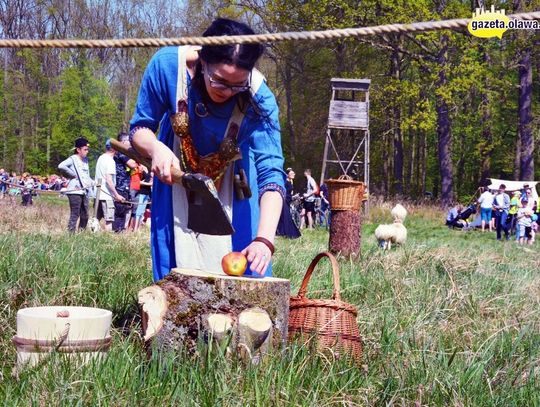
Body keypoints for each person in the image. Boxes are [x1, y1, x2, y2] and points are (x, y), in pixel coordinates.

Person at [129, 18, 285, 281]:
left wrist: (264, 240)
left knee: (243, 266)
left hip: (235, 179)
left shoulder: (260, 98)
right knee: (174, 261)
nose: (229, 91)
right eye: (220, 81)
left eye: (239, 85)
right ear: (202, 60)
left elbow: (272, 172)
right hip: (175, 172)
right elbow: (139, 128)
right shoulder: (168, 66)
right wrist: (155, 148)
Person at [58, 137, 94, 232]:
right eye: (85, 149)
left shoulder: (86, 160)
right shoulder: (73, 159)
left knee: (85, 214)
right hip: (74, 190)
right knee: (75, 213)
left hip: (84, 190)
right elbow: (61, 166)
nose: (87, 151)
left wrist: (93, 182)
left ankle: (81, 233)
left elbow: (86, 176)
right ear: (78, 150)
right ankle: (71, 233)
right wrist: (72, 174)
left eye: (87, 149)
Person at [94, 139, 124, 231]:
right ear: (115, 149)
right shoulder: (111, 161)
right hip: (107, 195)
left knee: (96, 219)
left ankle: (92, 236)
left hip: (98, 194)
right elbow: (109, 180)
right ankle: (108, 240)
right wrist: (116, 195)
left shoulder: (101, 157)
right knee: (109, 220)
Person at [113, 133, 137, 233]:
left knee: (124, 211)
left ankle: (121, 230)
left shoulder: (124, 153)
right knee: (120, 212)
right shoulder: (121, 153)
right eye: (129, 140)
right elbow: (132, 164)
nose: (131, 143)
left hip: (125, 186)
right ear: (123, 142)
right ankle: (117, 232)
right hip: (120, 186)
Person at [276, 167, 301, 239]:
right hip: (284, 200)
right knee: (286, 216)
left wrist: (294, 196)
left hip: (288, 201)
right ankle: (286, 233)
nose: (294, 174)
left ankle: (283, 232)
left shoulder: (290, 181)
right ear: (287, 175)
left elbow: (290, 193)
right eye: (292, 173)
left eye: (294, 173)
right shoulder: (285, 182)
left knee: (286, 216)